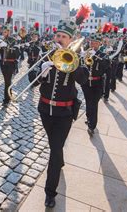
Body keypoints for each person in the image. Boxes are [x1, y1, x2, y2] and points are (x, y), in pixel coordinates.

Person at [37, 19, 87, 208]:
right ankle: (59, 160)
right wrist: (41, 72)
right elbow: (32, 81)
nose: (59, 38)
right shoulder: (45, 54)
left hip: (65, 112)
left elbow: (83, 80)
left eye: (63, 36)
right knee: (54, 145)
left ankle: (50, 192)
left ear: (70, 39)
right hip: (45, 110)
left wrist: (75, 61)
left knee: (55, 150)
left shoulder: (76, 57)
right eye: (57, 35)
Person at [81, 40, 110, 136]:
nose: (93, 45)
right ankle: (89, 118)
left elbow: (107, 65)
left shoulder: (103, 55)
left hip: (97, 83)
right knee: (88, 102)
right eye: (91, 43)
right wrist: (82, 57)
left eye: (95, 43)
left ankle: (92, 126)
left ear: (99, 44)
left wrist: (96, 56)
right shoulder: (87, 53)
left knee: (94, 104)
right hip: (86, 83)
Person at [0, 10, 20, 106]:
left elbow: (17, 53)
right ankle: (9, 93)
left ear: (9, 31)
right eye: (3, 31)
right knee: (7, 81)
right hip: (3, 64)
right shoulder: (1, 39)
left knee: (7, 81)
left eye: (6, 31)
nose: (4, 33)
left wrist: (7, 46)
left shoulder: (13, 40)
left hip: (10, 64)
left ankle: (6, 99)